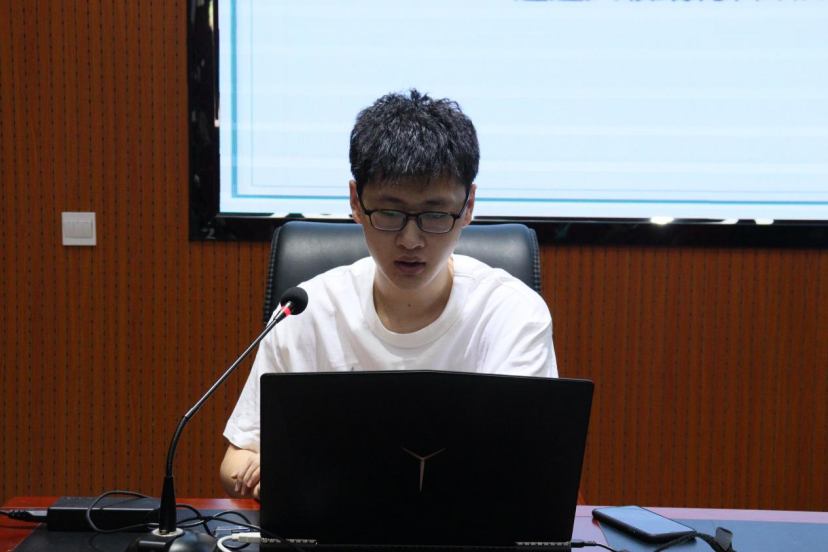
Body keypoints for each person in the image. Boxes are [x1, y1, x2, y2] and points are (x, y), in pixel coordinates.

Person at [220, 89, 558, 500]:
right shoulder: (306, 311)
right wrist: (261, 474)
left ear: (468, 205)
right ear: (355, 202)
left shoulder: (512, 314)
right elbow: (237, 458)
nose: (411, 240)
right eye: (390, 213)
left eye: (435, 214)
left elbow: (527, 467)